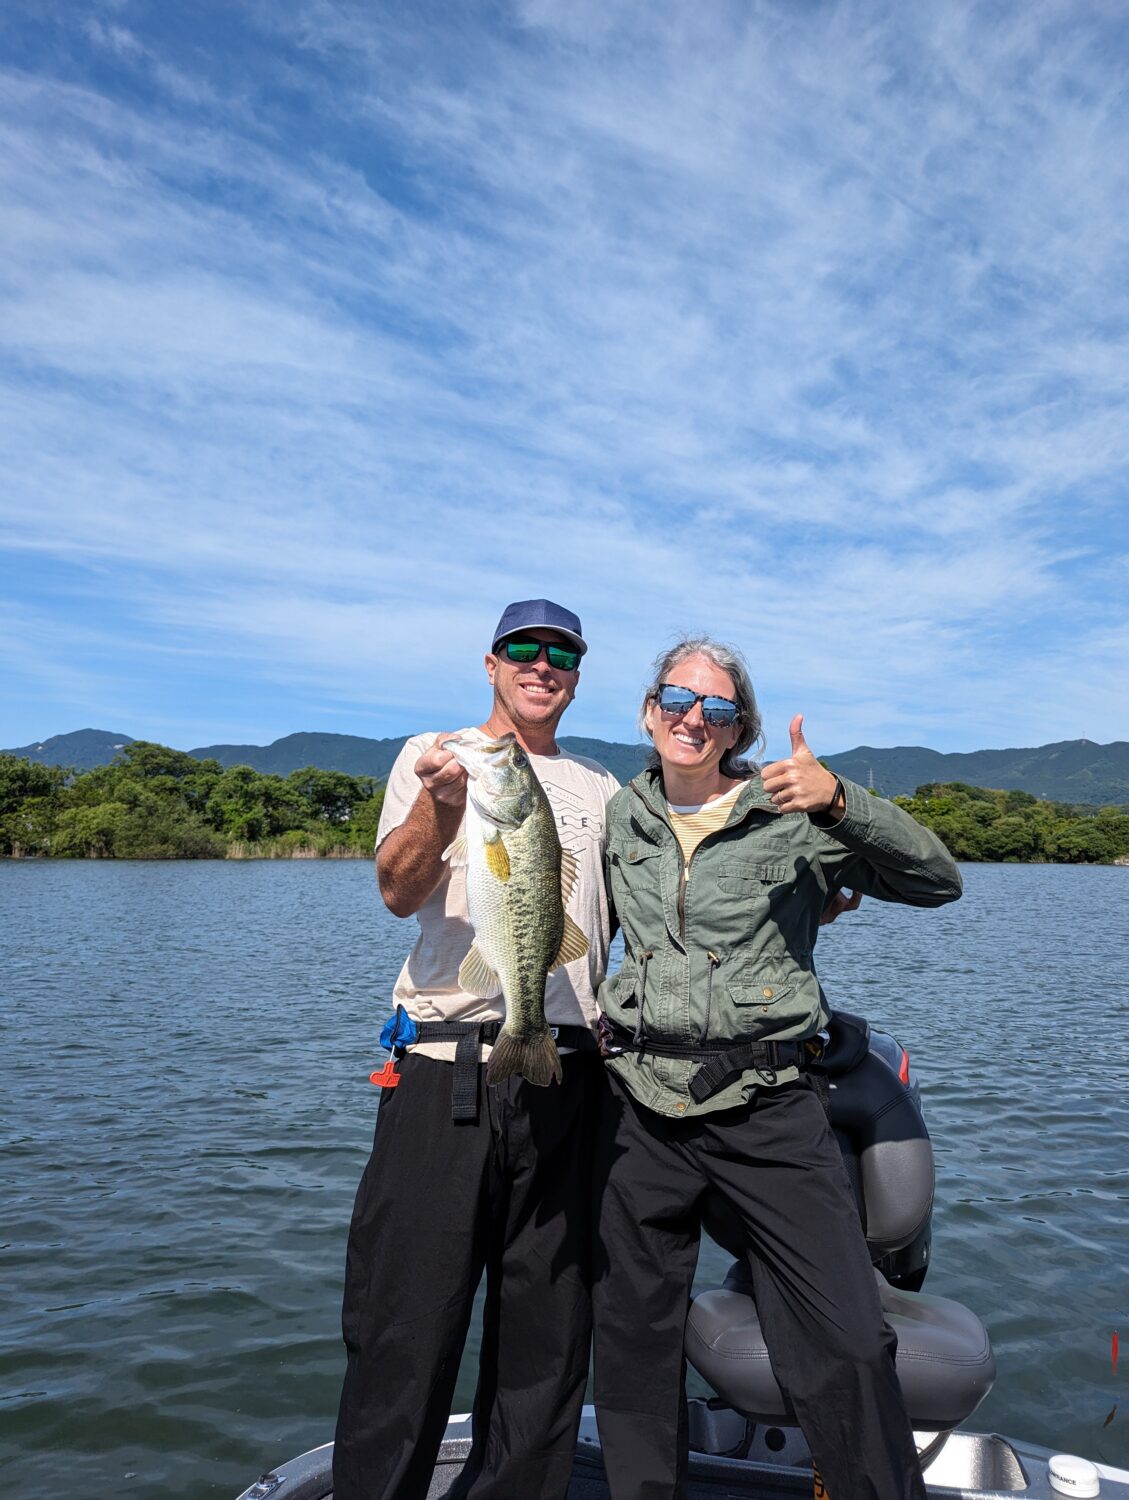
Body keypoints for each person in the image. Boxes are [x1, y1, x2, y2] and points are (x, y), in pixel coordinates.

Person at [591, 636, 963, 1500]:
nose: (694, 719)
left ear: (738, 728)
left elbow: (937, 879)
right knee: (632, 1331)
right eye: (677, 701)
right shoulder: (620, 818)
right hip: (638, 1105)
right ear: (649, 712)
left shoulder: (792, 812)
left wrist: (840, 802)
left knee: (849, 1335)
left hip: (767, 1102)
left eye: (716, 709)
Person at [332, 598, 620, 1500]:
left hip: (570, 1073)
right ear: (490, 663)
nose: (543, 666)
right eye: (524, 650)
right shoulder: (436, 754)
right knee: (403, 1324)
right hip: (442, 1070)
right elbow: (395, 890)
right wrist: (441, 804)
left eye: (561, 654)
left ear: (575, 674)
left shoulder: (604, 790)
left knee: (547, 1329)